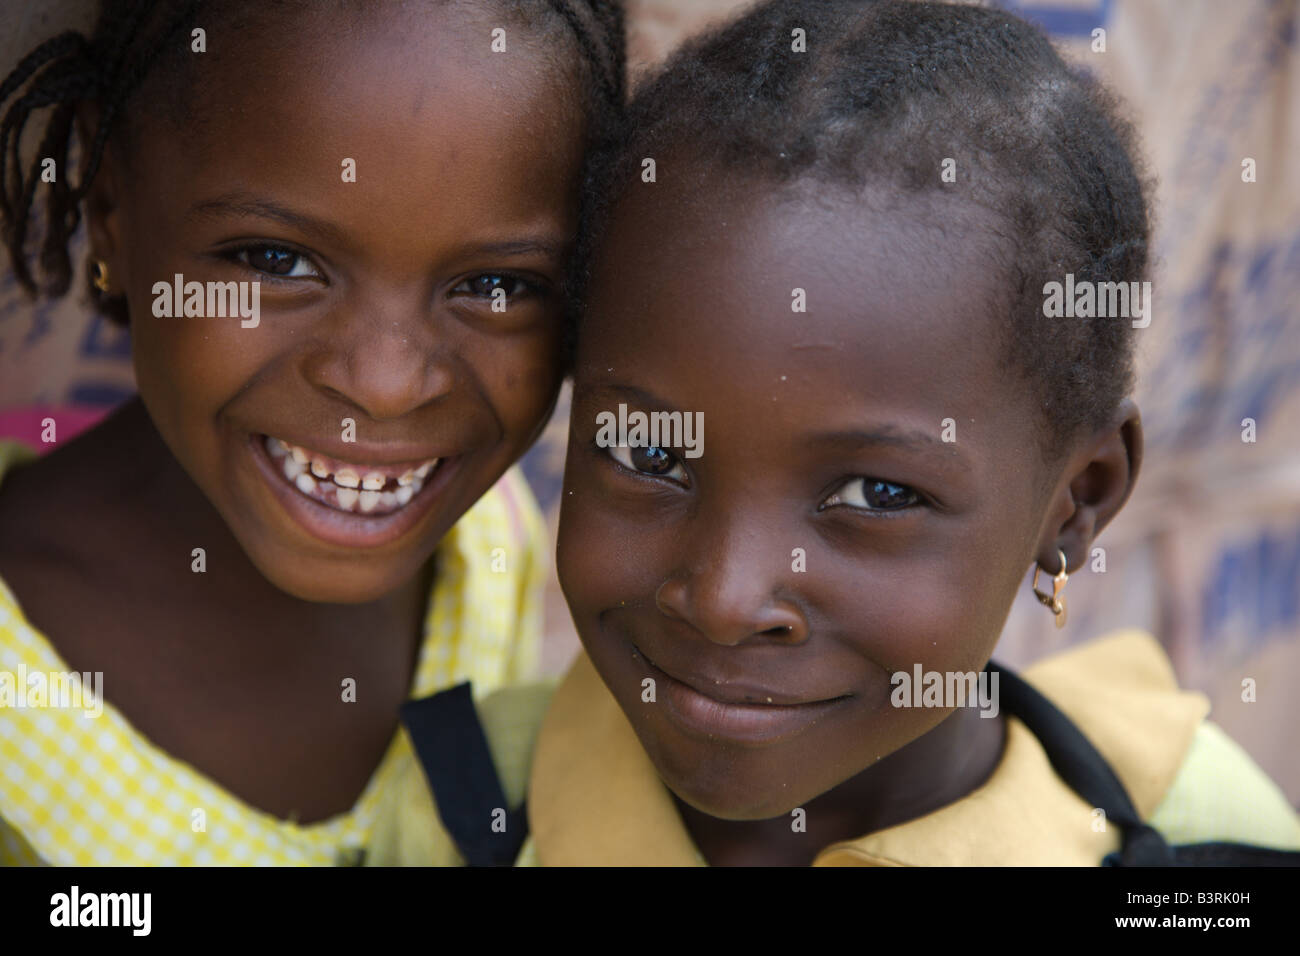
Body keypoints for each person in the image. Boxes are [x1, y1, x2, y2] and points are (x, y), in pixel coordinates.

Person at [375, 0, 1300, 866]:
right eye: (649, 455)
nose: (727, 599)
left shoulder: (1197, 841)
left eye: (878, 495)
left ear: (1078, 501)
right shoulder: (464, 808)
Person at [0, 0, 624, 866]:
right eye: (275, 260)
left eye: (494, 284)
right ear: (111, 206)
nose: (386, 386)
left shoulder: (489, 543)